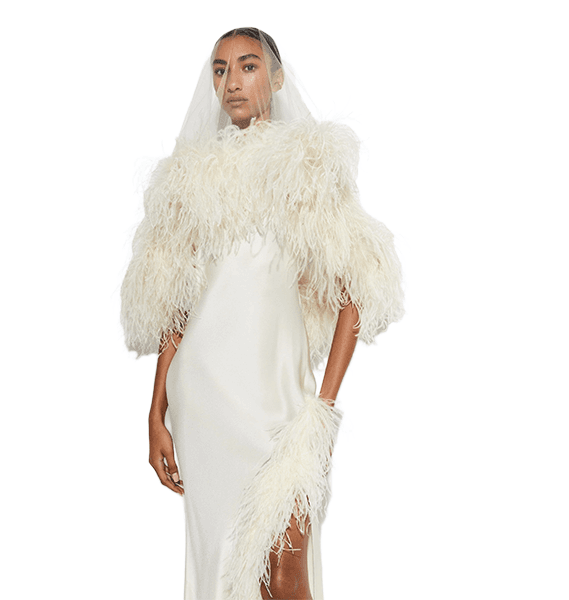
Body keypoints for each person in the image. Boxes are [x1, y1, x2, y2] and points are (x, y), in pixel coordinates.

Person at [120, 27, 404, 600]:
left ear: (275, 79)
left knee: (285, 571)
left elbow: (357, 286)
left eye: (248, 66)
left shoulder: (306, 166)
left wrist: (322, 409)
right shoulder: (192, 179)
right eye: (220, 69)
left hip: (278, 405)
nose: (232, 81)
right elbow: (176, 302)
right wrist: (156, 413)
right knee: (228, 566)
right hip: (205, 403)